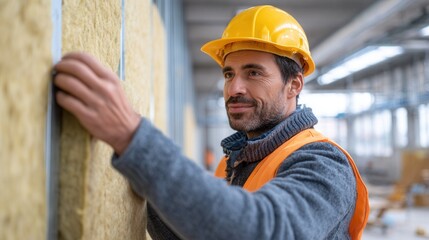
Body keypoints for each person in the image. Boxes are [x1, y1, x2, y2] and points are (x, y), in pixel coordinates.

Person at [53, 5, 369, 240]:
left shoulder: (324, 164)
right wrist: (139, 178)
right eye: (228, 74)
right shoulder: (235, 163)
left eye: (253, 72)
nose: (234, 88)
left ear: (294, 85)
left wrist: (134, 139)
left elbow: (260, 232)